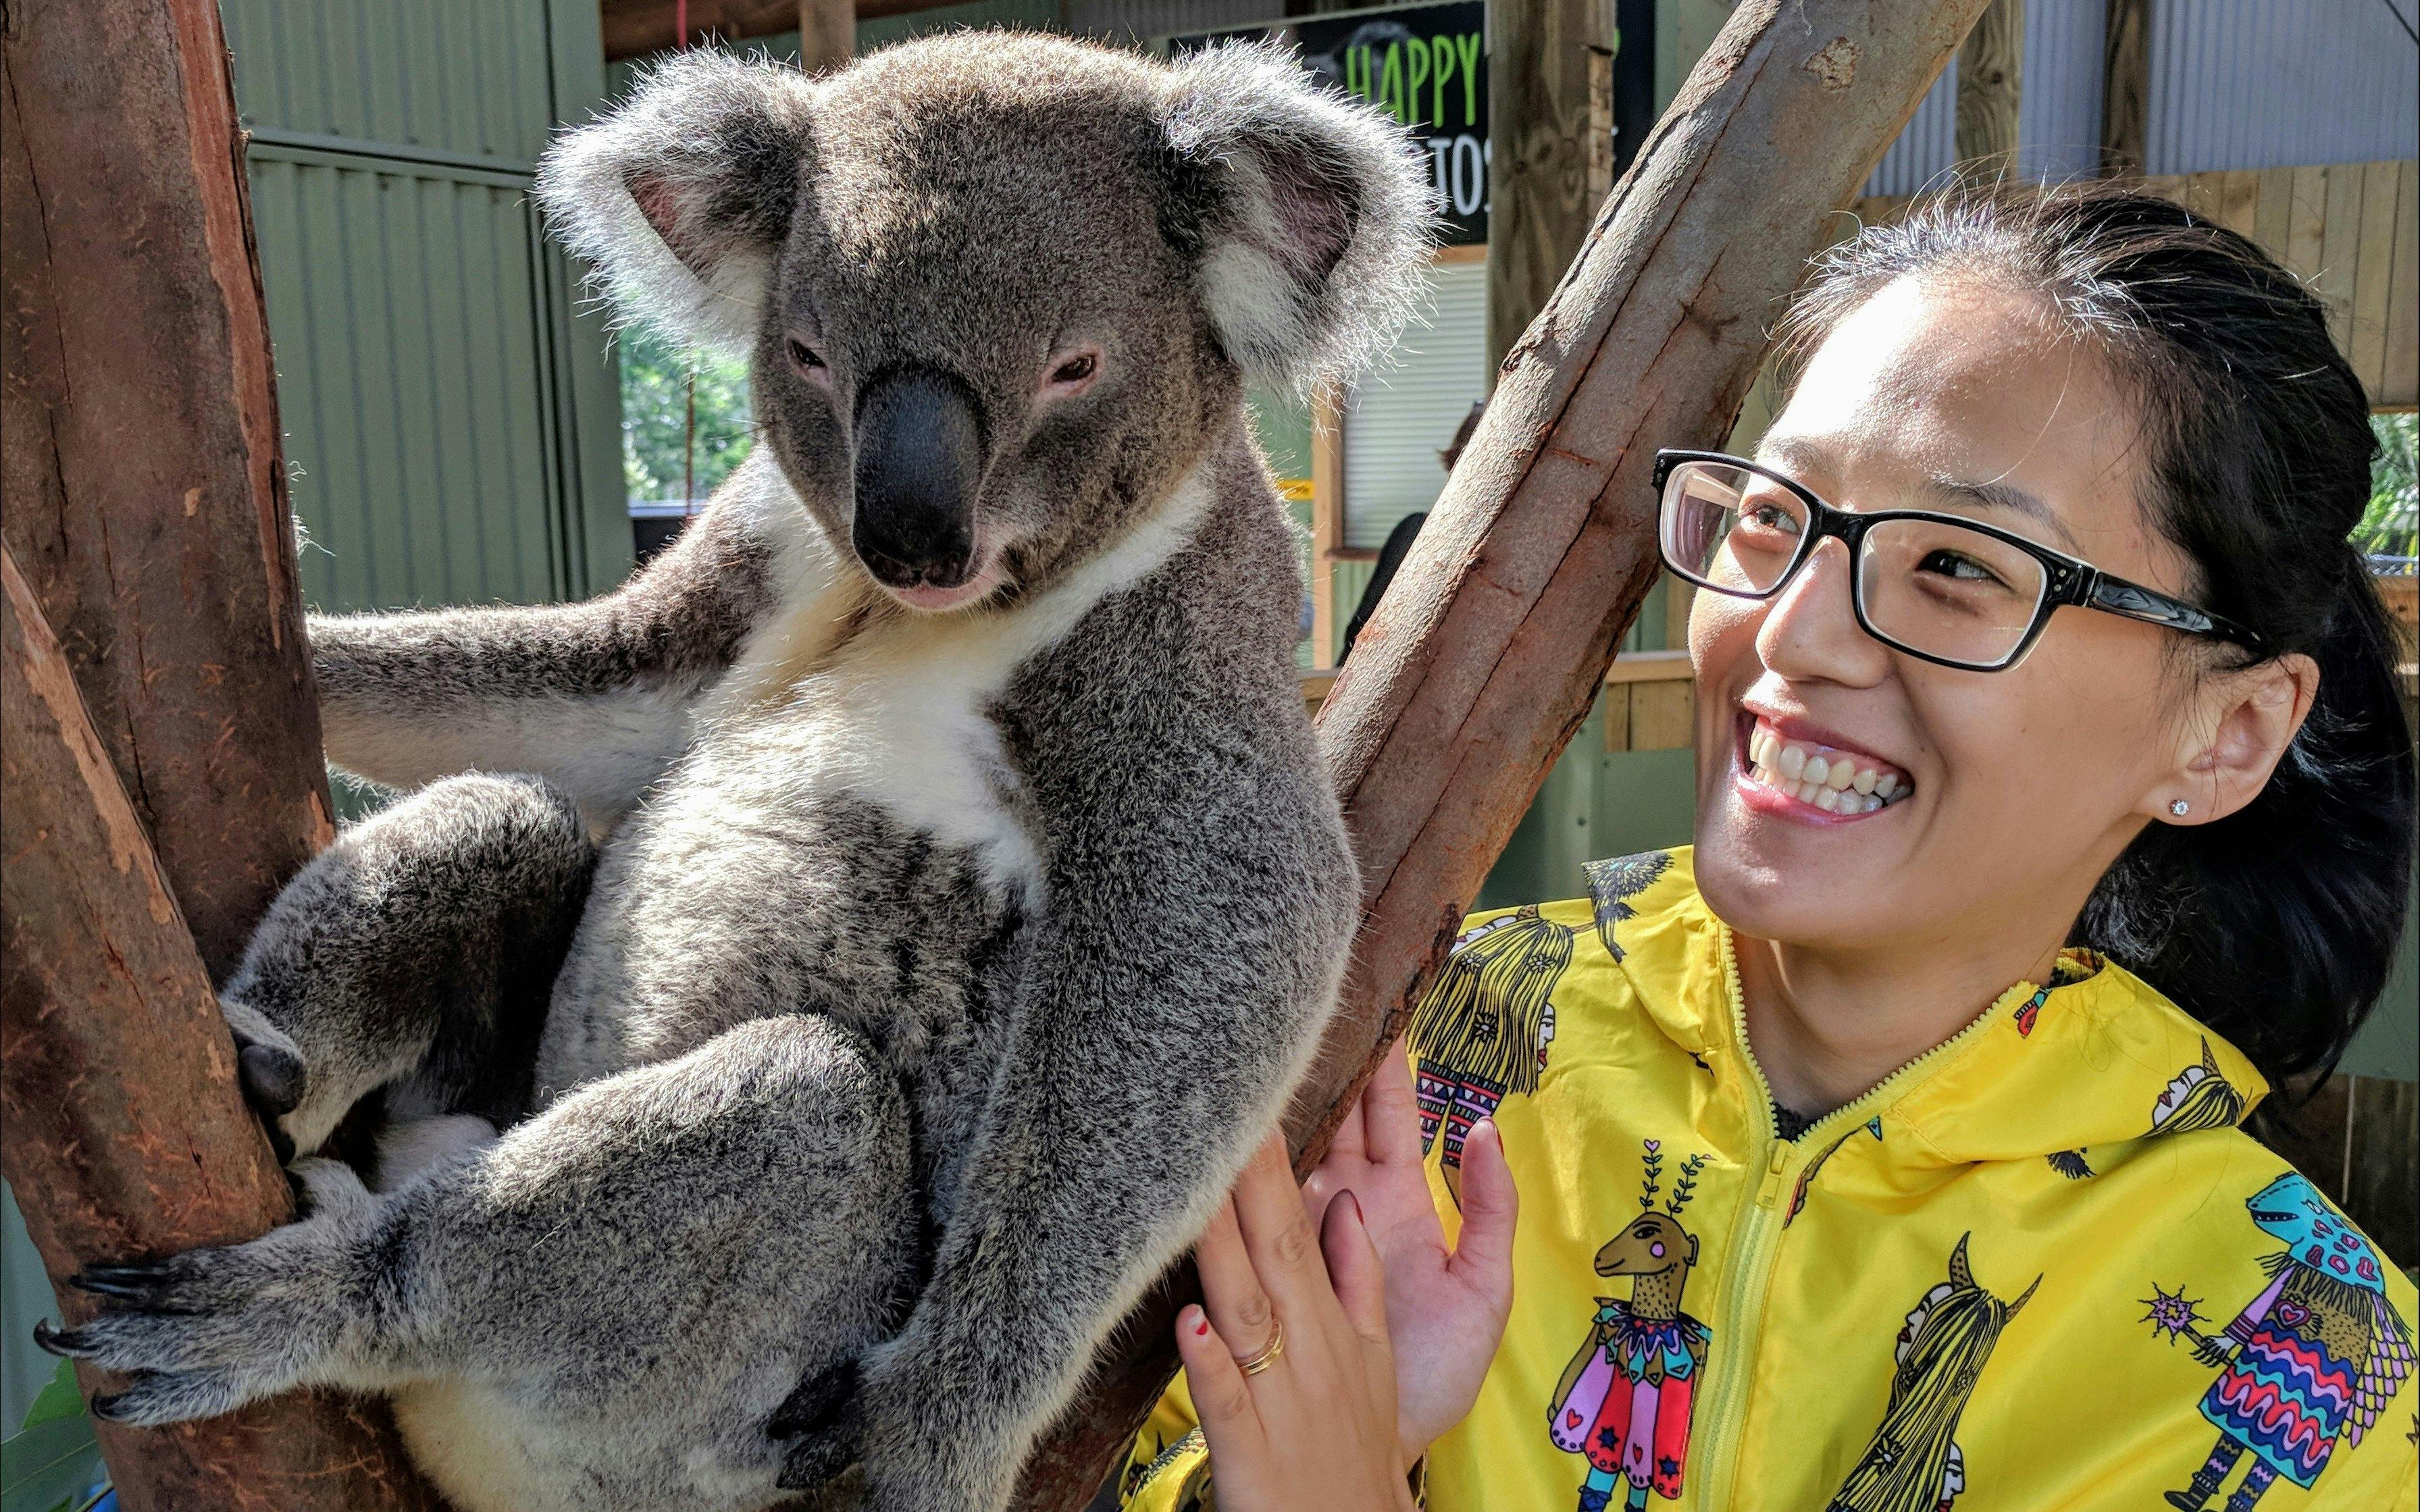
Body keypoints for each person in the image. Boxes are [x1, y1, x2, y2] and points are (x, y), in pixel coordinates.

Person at [1120, 181, 2419, 1512]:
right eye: (1771, 519)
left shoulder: (2314, 1367)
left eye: (1958, 566)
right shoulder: (1404, 1048)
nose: (1790, 635)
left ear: (2226, 732)